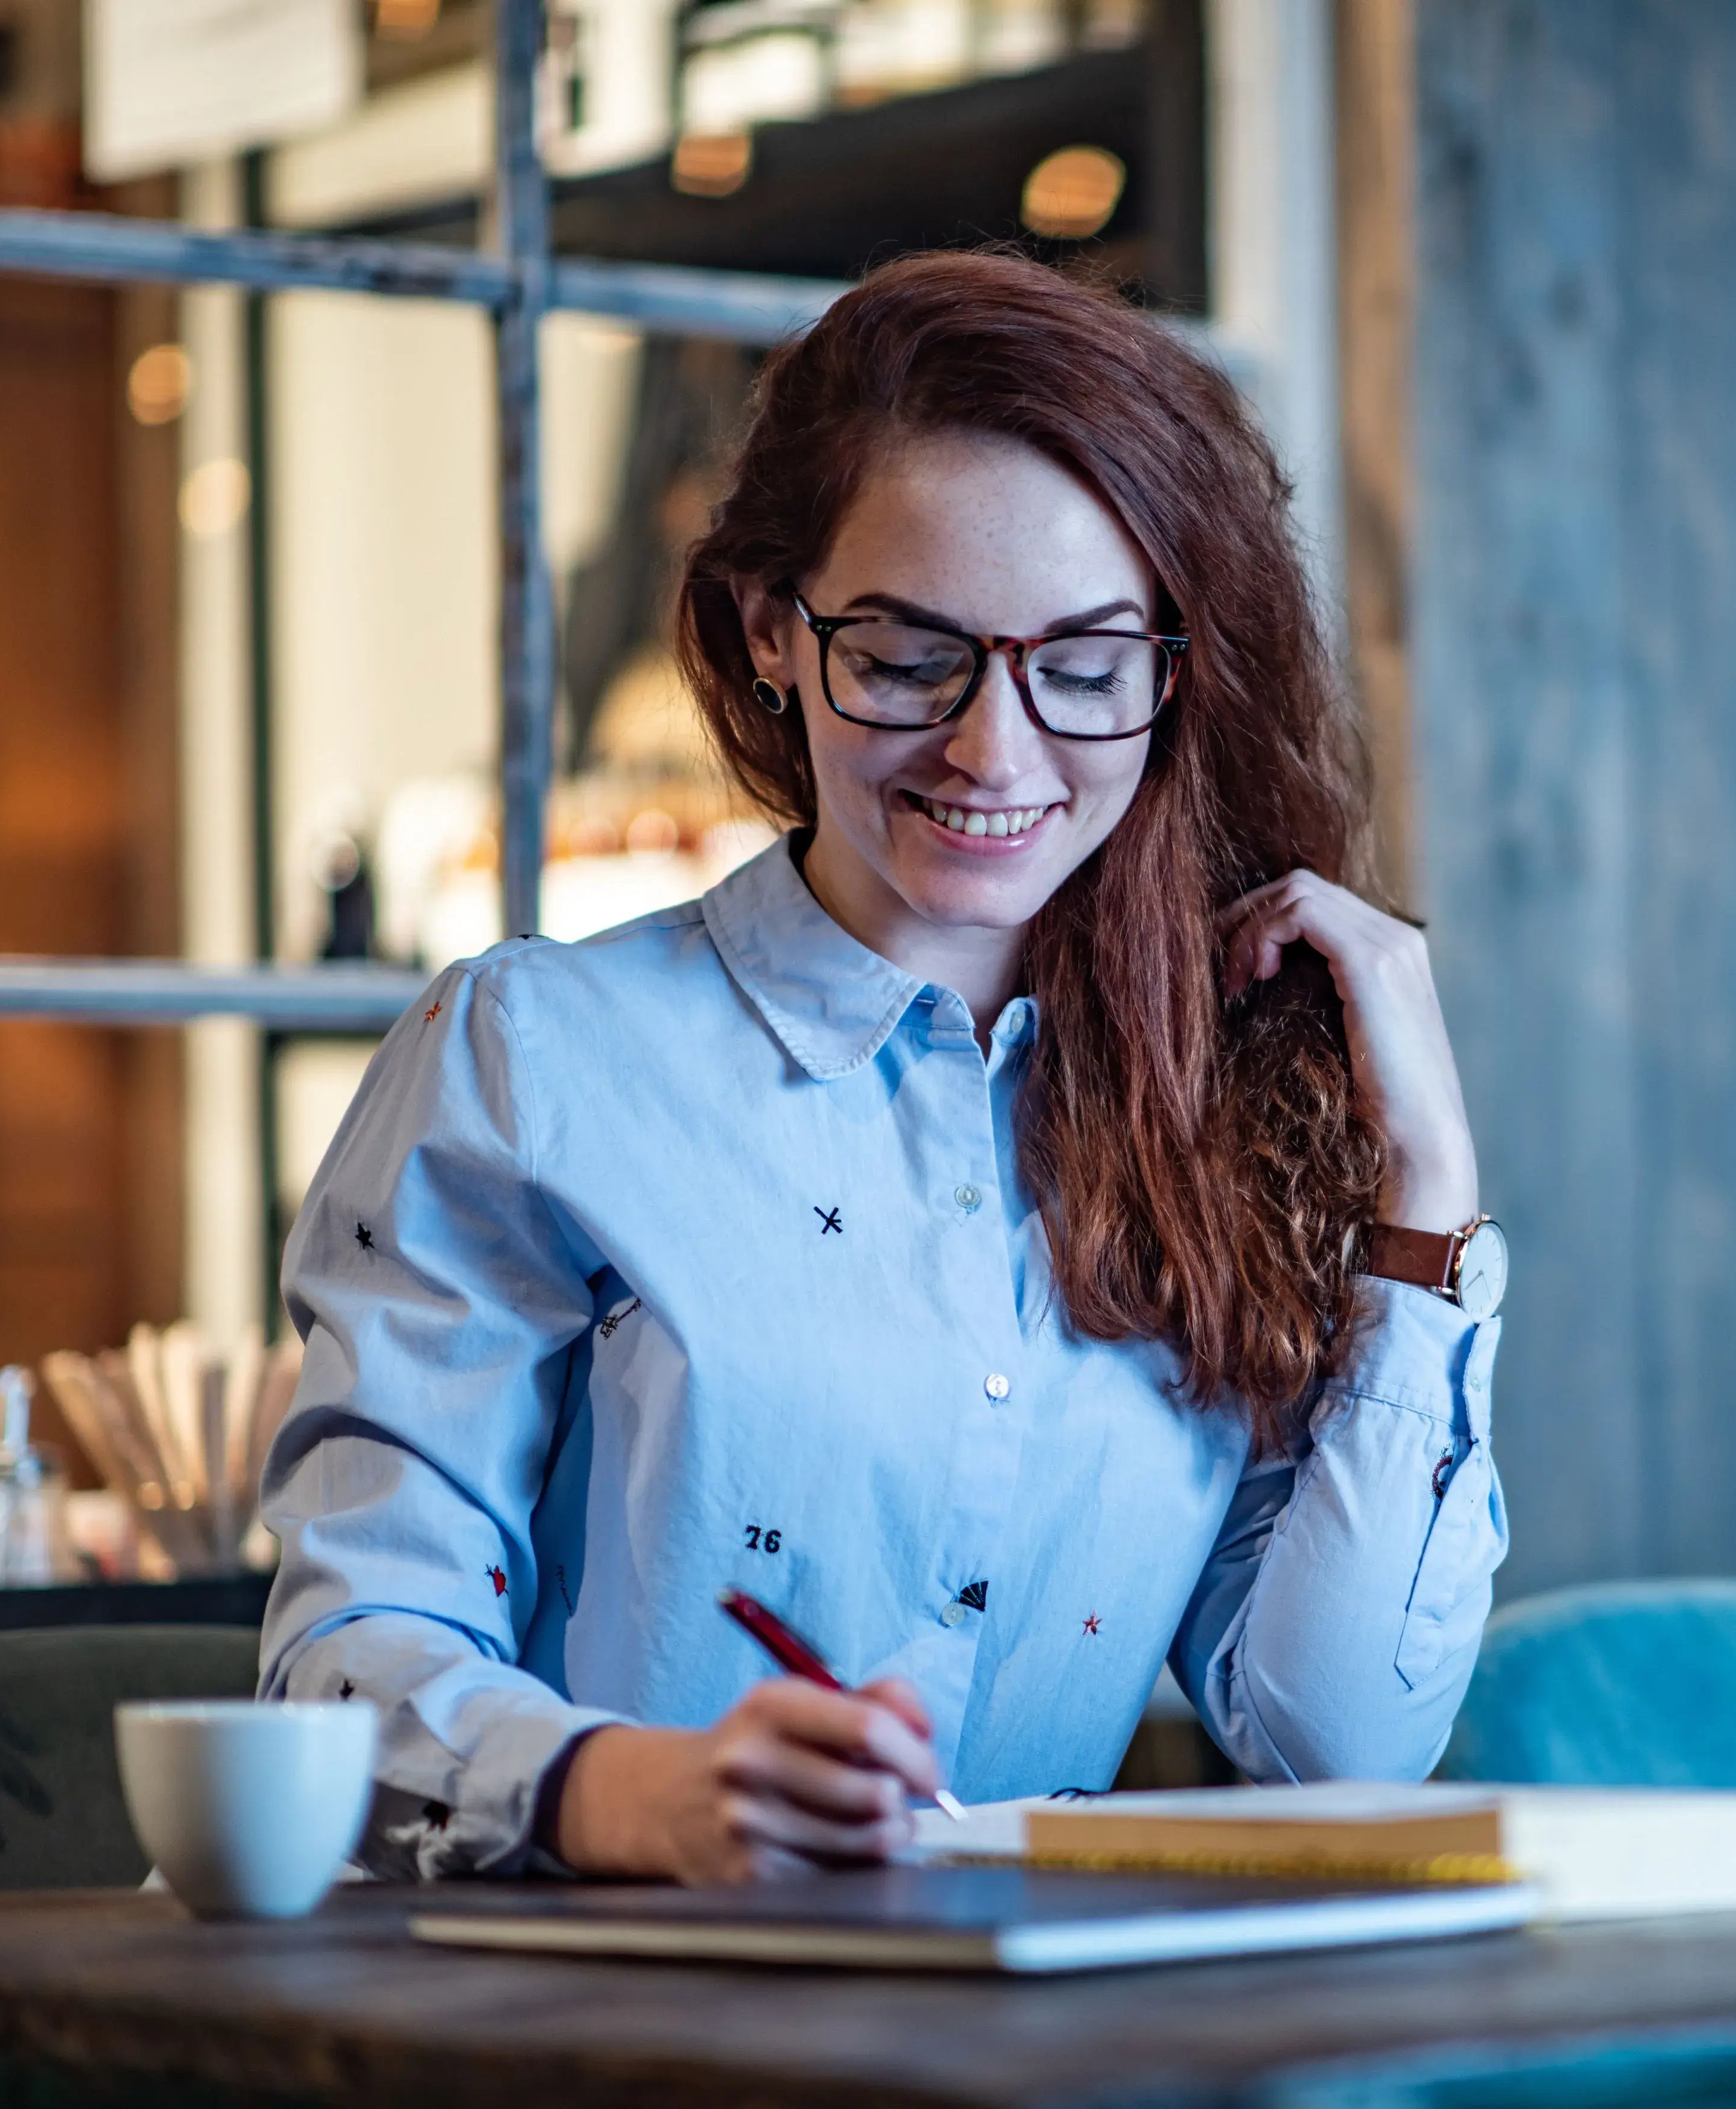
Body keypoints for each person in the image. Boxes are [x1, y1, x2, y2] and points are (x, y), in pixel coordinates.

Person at [257, 252, 1510, 1884]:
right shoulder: (532, 1058)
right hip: (559, 2019)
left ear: (1175, 671)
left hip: (988, 2033)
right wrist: (641, 1794)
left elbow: (1337, 1743)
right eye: (911, 656)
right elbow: (337, 1668)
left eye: (1082, 666)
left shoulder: (1208, 1121)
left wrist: (1424, 1212)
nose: (995, 750)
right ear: (775, 633)